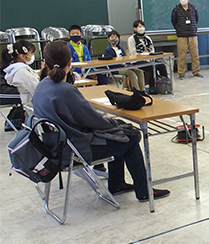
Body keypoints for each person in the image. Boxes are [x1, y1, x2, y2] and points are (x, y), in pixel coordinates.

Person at [32, 41, 170, 202]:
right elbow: (92, 120)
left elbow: (80, 116)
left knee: (119, 136)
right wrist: (110, 122)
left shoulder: (41, 87)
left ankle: (117, 183)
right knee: (130, 138)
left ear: (45, 63)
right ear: (70, 63)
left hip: (55, 148)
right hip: (75, 149)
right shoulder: (66, 90)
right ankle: (144, 191)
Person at [127, 20, 169, 87]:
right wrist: (145, 59)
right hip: (137, 61)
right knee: (151, 67)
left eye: (143, 26)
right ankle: (152, 86)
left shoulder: (147, 38)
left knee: (161, 65)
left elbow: (152, 50)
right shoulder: (131, 39)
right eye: (140, 26)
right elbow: (133, 53)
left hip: (150, 59)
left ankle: (165, 85)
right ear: (135, 28)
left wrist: (151, 58)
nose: (142, 28)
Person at [171, 0, 202, 80]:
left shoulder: (193, 8)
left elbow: (196, 19)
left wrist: (193, 28)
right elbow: (174, 21)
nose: (183, 0)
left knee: (195, 54)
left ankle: (196, 71)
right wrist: (179, 29)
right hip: (182, 36)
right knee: (181, 55)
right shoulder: (176, 10)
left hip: (192, 34)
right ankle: (181, 73)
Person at [1, 40, 39, 105]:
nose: (32, 56)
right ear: (22, 56)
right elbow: (38, 90)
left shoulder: (15, 68)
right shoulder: (22, 72)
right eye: (31, 53)